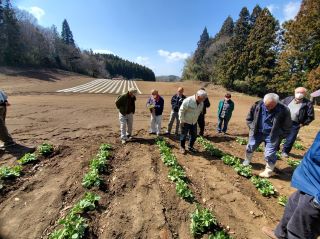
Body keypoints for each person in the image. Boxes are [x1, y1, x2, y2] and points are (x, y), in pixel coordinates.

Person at [262, 131, 320, 239]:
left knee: (298, 230)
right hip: (309, 180)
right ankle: (280, 234)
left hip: (317, 190)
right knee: (292, 204)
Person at [243, 93, 292, 177]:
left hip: (272, 135)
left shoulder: (284, 110)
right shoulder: (257, 105)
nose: (267, 108)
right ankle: (247, 160)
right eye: (266, 105)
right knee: (250, 147)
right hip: (257, 132)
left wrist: (280, 135)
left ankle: (268, 171)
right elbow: (249, 118)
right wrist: (252, 127)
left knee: (269, 153)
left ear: (276, 103)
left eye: (270, 106)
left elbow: (287, 126)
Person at [281, 87, 315, 158]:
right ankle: (275, 148)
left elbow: (310, 116)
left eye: (302, 93)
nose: (299, 94)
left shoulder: (308, 103)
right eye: (298, 92)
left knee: (291, 138)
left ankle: (285, 151)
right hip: (283, 121)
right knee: (278, 135)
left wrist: (303, 123)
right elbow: (280, 106)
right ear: (294, 92)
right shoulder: (288, 99)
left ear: (305, 94)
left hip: (295, 123)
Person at [179, 89, 207, 154]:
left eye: (204, 99)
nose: (203, 101)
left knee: (194, 136)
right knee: (184, 135)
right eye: (202, 99)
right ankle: (182, 147)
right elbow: (181, 111)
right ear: (198, 96)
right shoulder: (188, 100)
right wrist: (181, 120)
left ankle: (190, 146)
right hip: (185, 121)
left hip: (194, 122)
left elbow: (199, 112)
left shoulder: (201, 103)